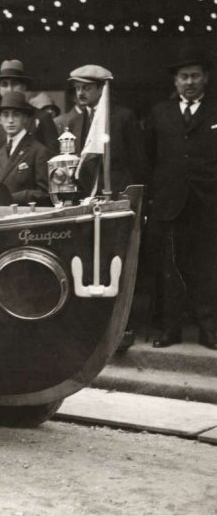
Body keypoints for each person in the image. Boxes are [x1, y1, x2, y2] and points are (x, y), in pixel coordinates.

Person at [145, 48, 217, 350]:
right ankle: (169, 329)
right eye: (184, 77)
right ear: (175, 81)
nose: (190, 82)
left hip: (208, 203)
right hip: (170, 203)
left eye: (195, 76)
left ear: (206, 78)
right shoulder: (159, 113)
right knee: (170, 269)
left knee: (208, 268)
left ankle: (209, 330)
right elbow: (149, 158)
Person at [66, 64, 148, 197]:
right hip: (87, 196)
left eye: (86, 88)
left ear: (101, 89)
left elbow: (138, 161)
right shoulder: (75, 122)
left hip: (119, 193)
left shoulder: (123, 117)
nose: (80, 93)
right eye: (77, 88)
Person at [0, 60, 60, 179]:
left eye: (14, 84)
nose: (10, 89)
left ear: (23, 87)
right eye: (5, 84)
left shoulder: (42, 118)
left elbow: (53, 160)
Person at [0, 92, 50, 206]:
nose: (10, 120)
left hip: (26, 216)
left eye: (16, 115)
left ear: (25, 118)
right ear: (0, 120)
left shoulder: (38, 151)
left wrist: (13, 198)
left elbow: (45, 194)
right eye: (5, 115)